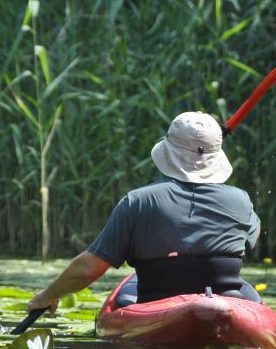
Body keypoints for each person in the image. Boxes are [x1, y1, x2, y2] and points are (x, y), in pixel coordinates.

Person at [25, 111, 261, 316]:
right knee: (247, 290)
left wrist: (48, 295)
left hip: (155, 302)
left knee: (128, 286)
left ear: (168, 151)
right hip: (226, 298)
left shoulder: (137, 201)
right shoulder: (241, 200)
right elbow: (250, 239)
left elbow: (89, 268)